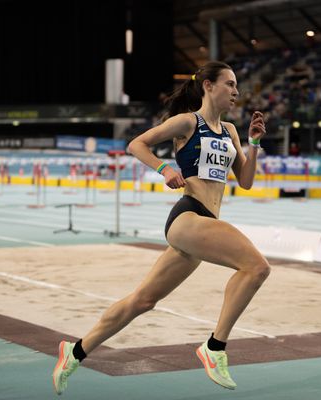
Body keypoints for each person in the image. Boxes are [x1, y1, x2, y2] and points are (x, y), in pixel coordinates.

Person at [52, 61, 270, 394]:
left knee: (142, 301)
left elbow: (247, 181)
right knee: (256, 267)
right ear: (208, 86)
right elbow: (136, 144)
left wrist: (253, 145)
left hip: (203, 226)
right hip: (188, 216)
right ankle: (215, 347)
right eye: (229, 84)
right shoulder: (186, 122)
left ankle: (76, 350)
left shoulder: (230, 132)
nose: (236, 92)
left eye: (237, 86)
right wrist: (165, 168)